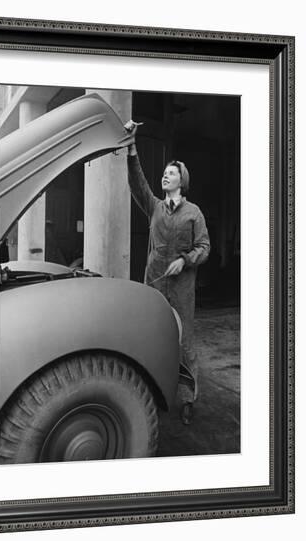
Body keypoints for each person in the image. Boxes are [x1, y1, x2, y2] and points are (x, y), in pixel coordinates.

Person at [124, 120, 210, 425]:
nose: (165, 175)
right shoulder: (155, 206)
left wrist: (185, 260)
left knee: (184, 340)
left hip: (182, 286)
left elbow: (205, 246)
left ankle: (187, 400)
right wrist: (132, 149)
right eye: (164, 173)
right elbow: (138, 183)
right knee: (150, 334)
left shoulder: (194, 213)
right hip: (155, 281)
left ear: (181, 181)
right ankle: (148, 390)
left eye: (170, 173)